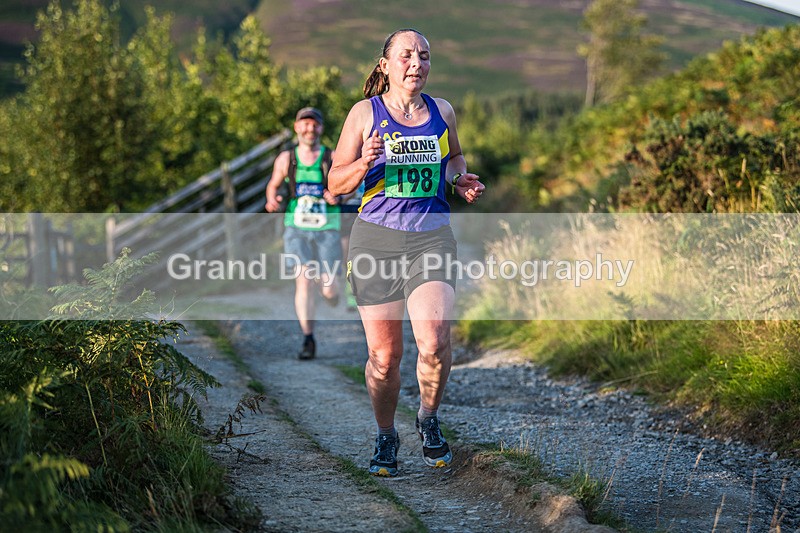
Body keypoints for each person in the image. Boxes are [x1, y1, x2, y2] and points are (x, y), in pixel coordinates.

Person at [328, 29, 485, 477]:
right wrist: (363, 162)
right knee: (385, 358)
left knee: (434, 341)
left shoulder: (442, 111)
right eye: (406, 55)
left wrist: (460, 180)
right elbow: (334, 184)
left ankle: (428, 419)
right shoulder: (364, 114)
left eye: (424, 55)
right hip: (375, 240)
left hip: (431, 238)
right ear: (385, 65)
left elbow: (454, 158)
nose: (416, 62)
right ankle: (385, 432)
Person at [266, 107, 342, 360]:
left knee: (330, 289)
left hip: (327, 228)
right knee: (304, 280)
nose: (310, 129)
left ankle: (329, 295)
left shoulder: (331, 157)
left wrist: (338, 194)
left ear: (321, 129)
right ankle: (308, 338)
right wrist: (272, 199)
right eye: (305, 124)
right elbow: (273, 186)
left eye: (315, 125)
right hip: (296, 228)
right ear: (297, 127)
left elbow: (348, 187)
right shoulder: (287, 159)